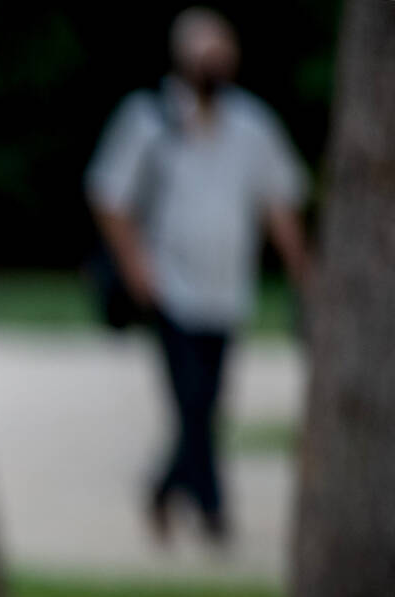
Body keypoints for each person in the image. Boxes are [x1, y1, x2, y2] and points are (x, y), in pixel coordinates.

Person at [85, 7, 312, 546]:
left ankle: (165, 489)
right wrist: (136, 266)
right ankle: (214, 511)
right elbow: (109, 195)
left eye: (222, 53)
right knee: (192, 399)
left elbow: (279, 203)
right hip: (170, 287)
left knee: (207, 402)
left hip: (228, 288)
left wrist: (304, 271)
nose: (215, 64)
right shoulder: (148, 119)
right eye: (205, 53)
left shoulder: (251, 126)